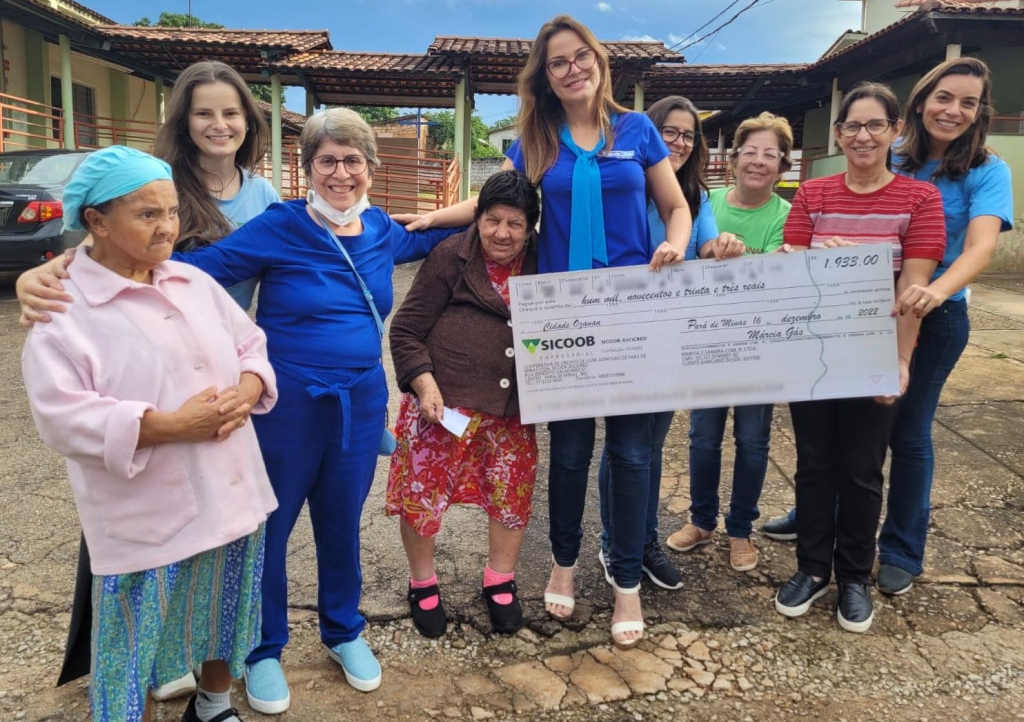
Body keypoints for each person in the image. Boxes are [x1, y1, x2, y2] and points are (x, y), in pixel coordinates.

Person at [16, 107, 459, 713]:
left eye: (353, 160)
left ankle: (343, 629)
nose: (340, 172)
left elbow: (449, 233)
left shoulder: (382, 229)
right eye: (326, 160)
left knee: (340, 521)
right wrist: (70, 263)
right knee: (268, 529)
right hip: (289, 401)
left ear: (370, 170)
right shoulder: (282, 225)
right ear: (305, 170)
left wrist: (468, 213)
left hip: (359, 399)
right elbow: (193, 267)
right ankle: (263, 650)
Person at [394, 15, 692, 647]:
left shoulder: (636, 131)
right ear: (546, 77)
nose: (572, 68)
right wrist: (423, 222)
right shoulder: (536, 138)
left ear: (599, 61)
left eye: (581, 56)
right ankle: (561, 564)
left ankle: (627, 584)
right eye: (558, 62)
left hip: (631, 309)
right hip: (563, 314)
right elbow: (490, 204)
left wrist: (675, 245)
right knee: (572, 451)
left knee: (635, 453)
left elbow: (675, 207)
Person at [21, 145, 279, 722]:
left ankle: (213, 704)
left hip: (230, 491)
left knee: (225, 612)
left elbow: (250, 343)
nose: (168, 228)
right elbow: (59, 415)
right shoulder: (64, 309)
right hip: (147, 511)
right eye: (147, 215)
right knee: (131, 641)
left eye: (172, 211)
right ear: (96, 221)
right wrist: (165, 427)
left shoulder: (191, 280)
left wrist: (245, 386)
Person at [772, 83, 946, 633]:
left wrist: (900, 363)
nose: (863, 136)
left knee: (863, 470)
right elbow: (791, 267)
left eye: (875, 125)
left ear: (897, 130)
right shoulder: (813, 195)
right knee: (815, 465)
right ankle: (811, 569)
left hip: (873, 351)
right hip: (814, 353)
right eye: (852, 126)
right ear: (839, 134)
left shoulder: (920, 200)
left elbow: (913, 291)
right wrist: (800, 259)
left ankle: (853, 576)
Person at [877, 57, 1014, 596]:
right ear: (920, 99)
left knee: (908, 432)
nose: (953, 110)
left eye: (968, 102)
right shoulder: (892, 156)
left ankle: (902, 550)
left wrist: (936, 289)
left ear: (979, 112)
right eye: (944, 97)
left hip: (937, 317)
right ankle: (822, 512)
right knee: (850, 422)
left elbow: (981, 247)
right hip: (870, 310)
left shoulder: (987, 170)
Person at [594, 95, 743, 591]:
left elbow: (704, 246)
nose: (677, 143)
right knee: (626, 447)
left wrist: (723, 248)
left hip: (669, 333)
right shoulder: (624, 185)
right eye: (669, 132)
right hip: (619, 327)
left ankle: (641, 539)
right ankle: (618, 544)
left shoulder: (694, 196)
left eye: (687, 135)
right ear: (649, 136)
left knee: (651, 446)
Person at [387, 171, 540, 638]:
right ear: (477, 217)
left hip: (511, 410)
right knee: (424, 496)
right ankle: (422, 582)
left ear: (532, 226)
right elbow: (406, 330)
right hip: (443, 407)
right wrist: (424, 385)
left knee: (510, 495)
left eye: (515, 224)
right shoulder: (450, 255)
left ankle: (500, 580)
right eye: (492, 220)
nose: (502, 234)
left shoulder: (544, 260)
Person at [665, 112, 794, 573]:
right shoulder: (703, 201)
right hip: (707, 338)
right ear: (733, 159)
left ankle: (741, 529)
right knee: (702, 437)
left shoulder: (788, 216)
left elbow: (782, 277)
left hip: (761, 345)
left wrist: (752, 256)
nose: (758, 162)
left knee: (754, 440)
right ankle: (701, 521)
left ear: (783, 167)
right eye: (750, 153)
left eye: (771, 155)